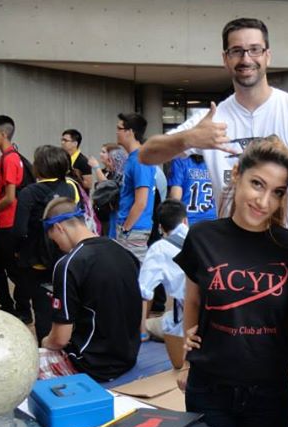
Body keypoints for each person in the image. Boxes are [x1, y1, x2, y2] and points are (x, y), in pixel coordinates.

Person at [139, 17, 288, 228]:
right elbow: (146, 155)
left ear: (267, 56)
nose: (246, 59)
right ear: (225, 59)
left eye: (255, 50)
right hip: (230, 244)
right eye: (237, 51)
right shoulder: (210, 120)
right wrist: (188, 138)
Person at [173, 136, 288, 427]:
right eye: (257, 184)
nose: (264, 201)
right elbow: (193, 300)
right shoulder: (203, 237)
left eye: (277, 192)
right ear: (236, 175)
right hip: (209, 387)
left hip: (268, 393)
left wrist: (272, 346)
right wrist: (189, 359)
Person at [40, 197, 141, 382]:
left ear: (59, 228)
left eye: (55, 241)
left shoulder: (69, 264)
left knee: (23, 367)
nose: (59, 247)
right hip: (128, 357)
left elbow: (60, 339)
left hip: (91, 366)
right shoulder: (123, 251)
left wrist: (45, 341)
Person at [13, 145, 82, 341]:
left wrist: (18, 251)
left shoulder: (29, 192)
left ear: (39, 167)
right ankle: (68, 342)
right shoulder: (71, 186)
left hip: (38, 260)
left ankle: (46, 348)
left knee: (42, 306)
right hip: (66, 255)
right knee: (66, 301)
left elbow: (19, 230)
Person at [0, 114, 31, 323]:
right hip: (6, 222)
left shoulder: (10, 159)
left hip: (9, 223)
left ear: (3, 134)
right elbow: (5, 190)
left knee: (14, 270)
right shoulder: (9, 156)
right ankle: (8, 304)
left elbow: (11, 197)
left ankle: (22, 309)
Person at [139, 199, 189, 367]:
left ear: (160, 227)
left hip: (186, 325)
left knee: (151, 324)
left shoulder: (159, 248)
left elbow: (143, 292)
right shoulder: (205, 238)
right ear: (185, 220)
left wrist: (142, 332)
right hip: (217, 321)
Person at [115, 112, 156, 261]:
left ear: (130, 132)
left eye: (119, 128)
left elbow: (141, 202)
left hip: (134, 228)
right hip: (131, 227)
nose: (116, 132)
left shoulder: (140, 160)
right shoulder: (134, 158)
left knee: (133, 270)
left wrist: (126, 228)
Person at [168, 154, 217, 225]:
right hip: (212, 220)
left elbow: (175, 198)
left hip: (187, 220)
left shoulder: (180, 160)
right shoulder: (216, 163)